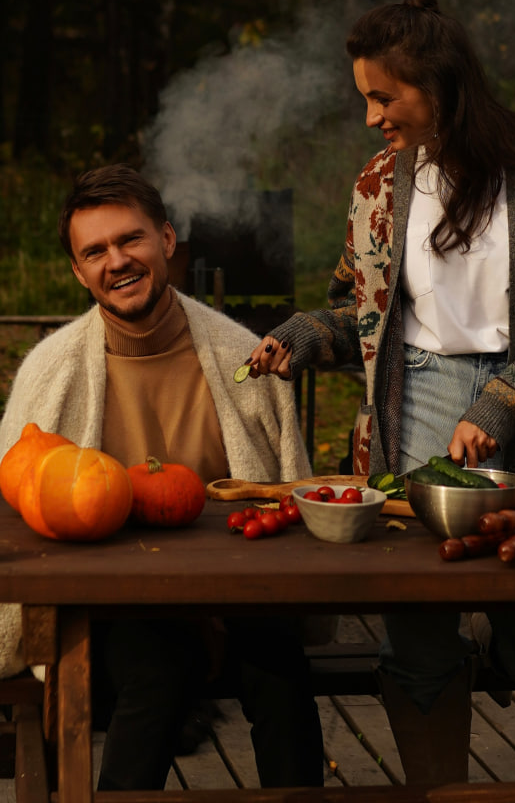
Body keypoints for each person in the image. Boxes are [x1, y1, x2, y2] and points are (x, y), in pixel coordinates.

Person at [244, 0, 515, 786]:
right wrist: (309, 333)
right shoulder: (379, 184)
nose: (372, 116)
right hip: (410, 412)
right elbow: (360, 310)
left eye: (384, 96)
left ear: (440, 81)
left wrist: (503, 399)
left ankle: (481, 653)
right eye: (365, 99)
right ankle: (436, 785)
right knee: (416, 636)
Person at [0, 165, 324, 791]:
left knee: (280, 663)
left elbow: (288, 488)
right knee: (158, 667)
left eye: (131, 240)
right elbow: (19, 510)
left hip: (234, 593)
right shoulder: (51, 373)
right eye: (95, 251)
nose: (116, 261)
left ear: (168, 241)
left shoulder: (241, 358)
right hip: (110, 606)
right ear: (78, 270)